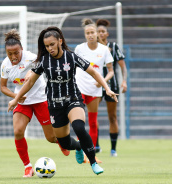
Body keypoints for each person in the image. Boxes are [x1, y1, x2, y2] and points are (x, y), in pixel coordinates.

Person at [8, 26, 118, 175]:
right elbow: (30, 82)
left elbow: (93, 71)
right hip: (54, 105)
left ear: (60, 41)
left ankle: (93, 162)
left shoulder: (71, 57)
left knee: (79, 127)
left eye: (52, 44)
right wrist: (15, 99)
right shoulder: (44, 61)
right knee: (64, 142)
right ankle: (78, 147)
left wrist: (107, 88)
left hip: (73, 99)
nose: (50, 48)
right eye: (47, 46)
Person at [0, 29, 70, 178]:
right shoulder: (5, 65)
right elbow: (3, 87)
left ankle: (63, 141)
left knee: (51, 138)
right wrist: (16, 97)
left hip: (41, 99)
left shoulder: (32, 58)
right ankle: (28, 167)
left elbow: (44, 62)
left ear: (22, 50)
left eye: (16, 53)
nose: (13, 57)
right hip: (23, 102)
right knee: (18, 131)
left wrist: (32, 72)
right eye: (9, 53)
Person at [74, 18, 114, 160]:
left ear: (97, 33)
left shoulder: (104, 50)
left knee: (92, 122)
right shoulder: (79, 49)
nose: (90, 35)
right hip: (80, 89)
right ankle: (81, 149)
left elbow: (111, 71)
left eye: (93, 32)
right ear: (85, 35)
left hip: (95, 91)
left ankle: (91, 154)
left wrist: (102, 82)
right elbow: (74, 67)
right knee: (79, 121)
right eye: (88, 33)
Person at [96, 19, 128, 157]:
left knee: (112, 117)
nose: (100, 34)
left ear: (107, 34)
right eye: (98, 31)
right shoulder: (91, 48)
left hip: (111, 85)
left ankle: (113, 149)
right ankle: (96, 145)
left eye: (103, 31)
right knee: (93, 116)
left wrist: (124, 81)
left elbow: (122, 67)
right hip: (95, 85)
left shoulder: (113, 47)